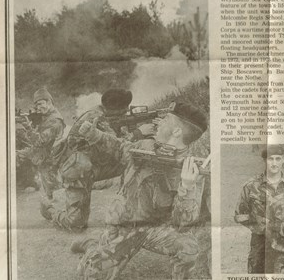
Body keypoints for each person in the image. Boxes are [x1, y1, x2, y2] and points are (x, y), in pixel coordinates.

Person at [74, 100, 209, 280]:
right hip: (124, 225)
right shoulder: (145, 146)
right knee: (90, 275)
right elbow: (120, 147)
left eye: (165, 119)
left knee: (188, 248)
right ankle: (92, 245)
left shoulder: (191, 169)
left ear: (177, 132)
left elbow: (183, 224)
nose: (158, 122)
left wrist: (187, 187)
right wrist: (93, 134)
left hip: (156, 228)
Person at [41, 88, 144, 230]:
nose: (126, 112)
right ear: (113, 109)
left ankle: (127, 208)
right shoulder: (95, 118)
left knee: (136, 161)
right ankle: (49, 209)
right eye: (123, 110)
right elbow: (116, 147)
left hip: (95, 165)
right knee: (76, 224)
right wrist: (138, 133)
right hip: (77, 171)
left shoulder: (106, 114)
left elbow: (119, 145)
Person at [234, 144, 284, 273]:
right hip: (260, 241)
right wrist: (261, 226)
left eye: (278, 159)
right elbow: (239, 215)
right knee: (257, 272)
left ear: (283, 160)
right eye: (270, 159)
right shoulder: (251, 186)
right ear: (265, 160)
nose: (274, 163)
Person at [17, 88, 65, 201]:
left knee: (54, 194)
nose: (38, 108)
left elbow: (39, 141)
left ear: (49, 101)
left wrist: (28, 127)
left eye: (40, 104)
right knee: (17, 156)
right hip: (43, 155)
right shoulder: (47, 116)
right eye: (36, 105)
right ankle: (31, 183)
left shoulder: (55, 121)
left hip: (50, 160)